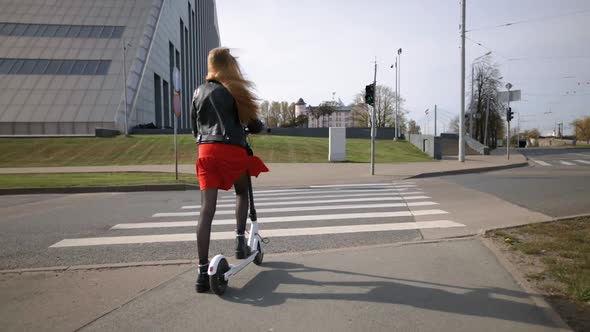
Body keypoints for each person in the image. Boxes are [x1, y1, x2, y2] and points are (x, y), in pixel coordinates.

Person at [190, 47, 268, 293]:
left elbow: (195, 128)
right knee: (241, 192)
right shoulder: (234, 89)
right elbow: (253, 124)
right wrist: (262, 128)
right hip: (231, 150)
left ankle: (202, 272)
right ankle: (239, 242)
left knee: (206, 209)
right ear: (228, 66)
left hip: (206, 152)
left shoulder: (198, 91)